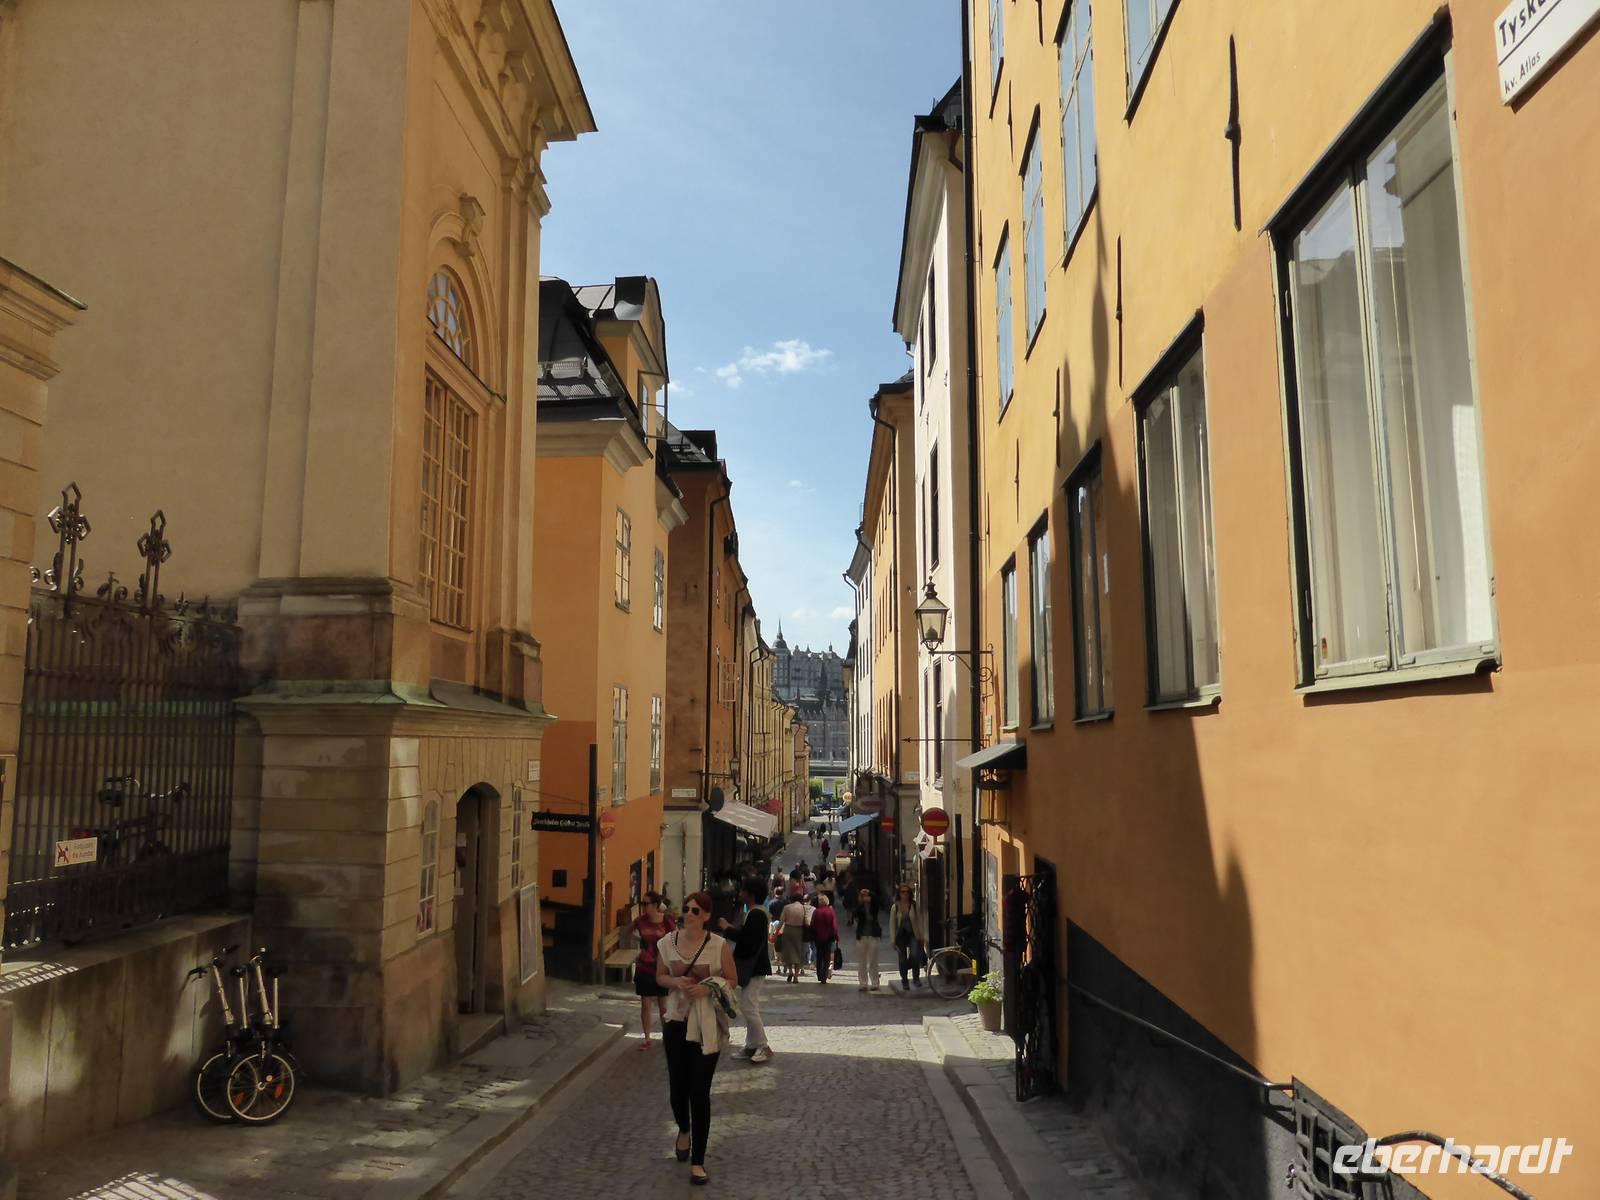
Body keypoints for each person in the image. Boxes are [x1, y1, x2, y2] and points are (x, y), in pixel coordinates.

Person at [656, 891, 738, 1186]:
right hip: (677, 1022)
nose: (688, 914)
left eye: (694, 911)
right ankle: (683, 1130)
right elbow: (659, 977)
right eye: (686, 909)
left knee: (699, 1091)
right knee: (678, 1088)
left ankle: (698, 1162)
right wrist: (675, 981)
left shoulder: (717, 946)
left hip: (706, 1024)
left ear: (705, 916)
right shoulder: (667, 943)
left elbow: (732, 979)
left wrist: (708, 987)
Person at [719, 878, 773, 1064]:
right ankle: (751, 1045)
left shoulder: (756, 914)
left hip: (754, 967)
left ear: (750, 894)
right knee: (749, 1006)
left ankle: (763, 1045)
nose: (740, 893)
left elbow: (748, 941)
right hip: (755, 966)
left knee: (749, 1007)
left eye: (743, 890)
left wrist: (728, 929)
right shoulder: (754, 913)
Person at [632, 893, 676, 1049]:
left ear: (656, 904)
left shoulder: (666, 921)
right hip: (644, 966)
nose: (643, 906)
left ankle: (667, 1037)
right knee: (645, 1003)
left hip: (661, 967)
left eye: (646, 903)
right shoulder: (639, 921)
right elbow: (629, 932)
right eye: (642, 903)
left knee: (663, 1005)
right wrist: (640, 945)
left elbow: (674, 939)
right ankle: (647, 1038)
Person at [889, 883, 929, 992]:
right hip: (901, 935)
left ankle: (916, 978)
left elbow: (920, 921)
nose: (905, 894)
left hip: (913, 934)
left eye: (907, 892)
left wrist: (922, 936)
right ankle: (905, 981)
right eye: (902, 892)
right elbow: (892, 924)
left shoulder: (914, 905)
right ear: (899, 893)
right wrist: (892, 940)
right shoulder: (895, 907)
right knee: (902, 959)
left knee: (915, 955)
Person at [852, 887, 883, 991]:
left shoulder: (874, 905)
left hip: (874, 935)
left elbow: (879, 901)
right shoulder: (859, 907)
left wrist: (870, 893)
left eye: (866, 896)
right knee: (862, 961)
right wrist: (860, 902)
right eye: (863, 896)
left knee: (874, 960)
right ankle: (863, 983)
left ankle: (875, 983)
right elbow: (854, 913)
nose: (865, 898)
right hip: (861, 936)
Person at [777, 890, 809, 982]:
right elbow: (806, 922)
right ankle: (796, 976)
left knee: (788, 952)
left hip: (788, 930)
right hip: (799, 931)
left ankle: (790, 971)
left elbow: (781, 921)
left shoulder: (787, 907)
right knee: (799, 953)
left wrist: (776, 932)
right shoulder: (803, 908)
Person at [811, 893, 840, 983]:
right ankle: (824, 975)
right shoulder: (830, 911)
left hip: (818, 937)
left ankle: (819, 974)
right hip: (828, 937)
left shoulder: (816, 911)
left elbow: (812, 924)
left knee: (819, 955)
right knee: (827, 956)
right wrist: (836, 937)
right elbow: (834, 926)